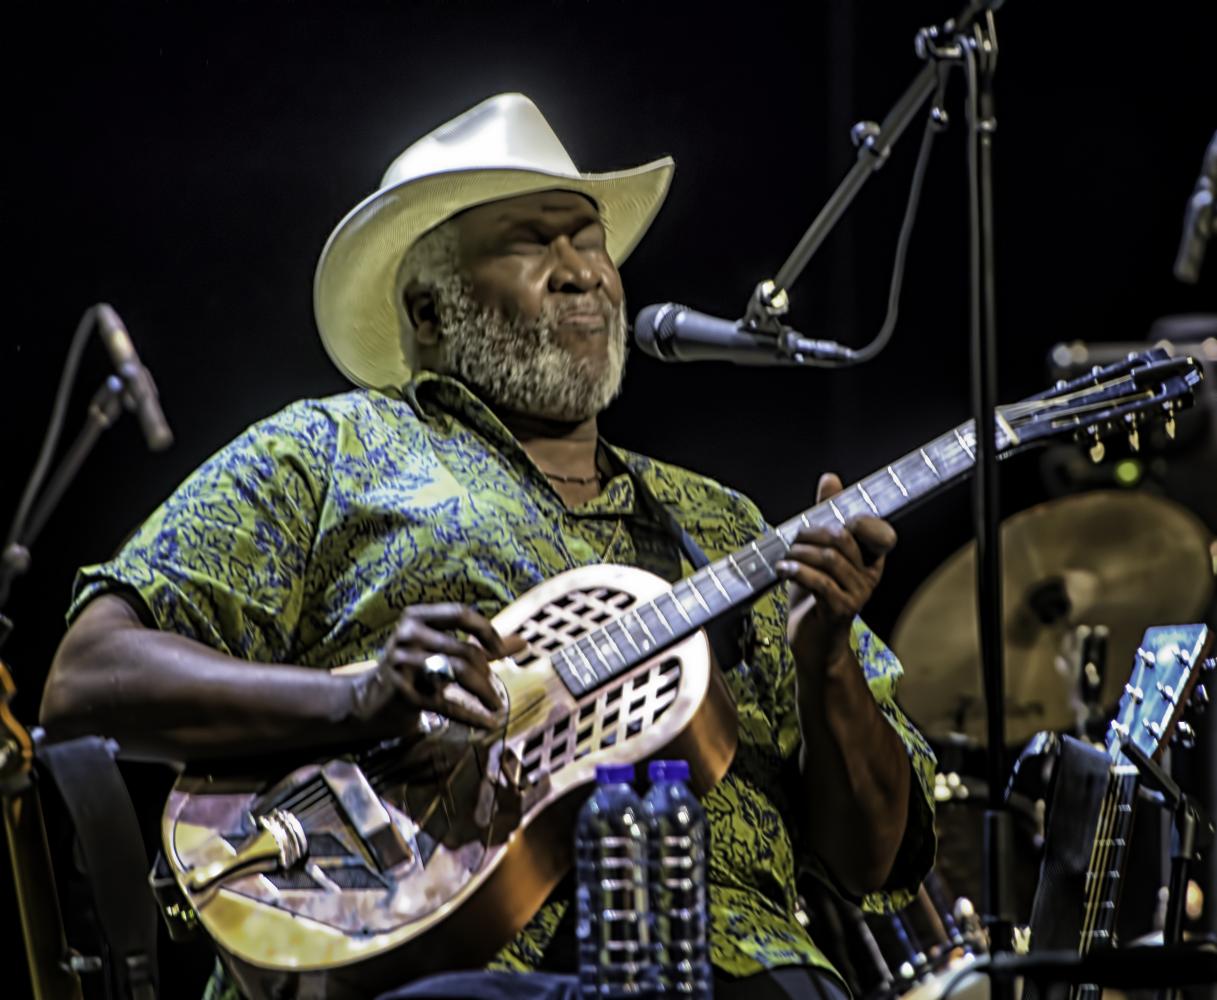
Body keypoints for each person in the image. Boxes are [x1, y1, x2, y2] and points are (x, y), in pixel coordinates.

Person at [41, 93, 936, 999]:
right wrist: (356, 698)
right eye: (529, 242)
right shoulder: (324, 451)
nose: (580, 271)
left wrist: (826, 665)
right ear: (429, 311)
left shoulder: (722, 524)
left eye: (588, 239)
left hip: (743, 964)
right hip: (441, 962)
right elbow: (88, 676)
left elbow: (871, 860)